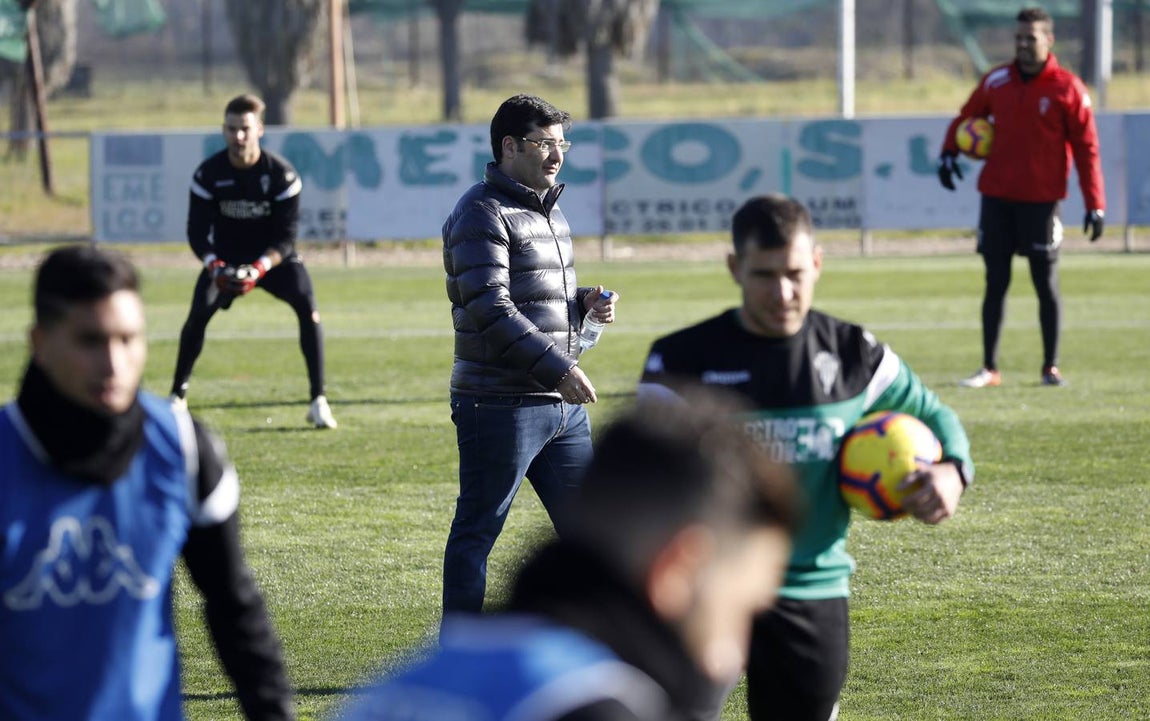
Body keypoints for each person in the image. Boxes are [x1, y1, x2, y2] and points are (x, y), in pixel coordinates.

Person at [638, 194, 975, 721]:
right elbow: (640, 482)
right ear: (735, 268)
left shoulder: (854, 355)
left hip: (809, 589)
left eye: (795, 272)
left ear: (817, 262)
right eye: (764, 275)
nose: (783, 292)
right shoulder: (681, 361)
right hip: (702, 590)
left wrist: (952, 471)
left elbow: (937, 416)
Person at [335, 390, 799, 721]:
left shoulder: (406, 681)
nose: (736, 659)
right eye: (741, 611)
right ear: (676, 571)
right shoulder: (595, 706)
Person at [0, 246, 295, 721]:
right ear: (39, 342)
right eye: (90, 341)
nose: (114, 365)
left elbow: (234, 608)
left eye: (128, 339)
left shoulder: (183, 447)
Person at [440, 93, 619, 617]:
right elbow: (488, 307)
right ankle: (460, 655)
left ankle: (596, 645)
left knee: (593, 533)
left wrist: (581, 302)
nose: (556, 156)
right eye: (544, 144)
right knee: (478, 531)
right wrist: (560, 367)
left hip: (559, 406)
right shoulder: (481, 210)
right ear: (510, 145)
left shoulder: (550, 211)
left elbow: (533, 295)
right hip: (498, 403)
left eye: (562, 144)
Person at [937, 6, 1105, 389]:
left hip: (1042, 202)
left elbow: (1086, 150)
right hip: (996, 197)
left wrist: (1095, 202)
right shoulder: (997, 81)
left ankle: (1050, 367)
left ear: (1049, 40)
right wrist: (949, 151)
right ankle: (989, 368)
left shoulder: (1068, 89)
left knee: (1045, 283)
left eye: (1031, 38)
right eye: (1018, 39)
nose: (1023, 46)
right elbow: (966, 117)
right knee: (995, 281)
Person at [169, 93, 337, 428]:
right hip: (226, 259)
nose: (238, 136)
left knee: (308, 306)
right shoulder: (208, 174)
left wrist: (259, 267)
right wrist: (215, 265)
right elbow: (197, 233)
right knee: (198, 313)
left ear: (259, 129)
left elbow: (286, 238)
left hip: (273, 261)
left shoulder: (281, 176)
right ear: (223, 130)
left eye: (245, 128)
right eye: (232, 129)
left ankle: (318, 400)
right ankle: (177, 397)